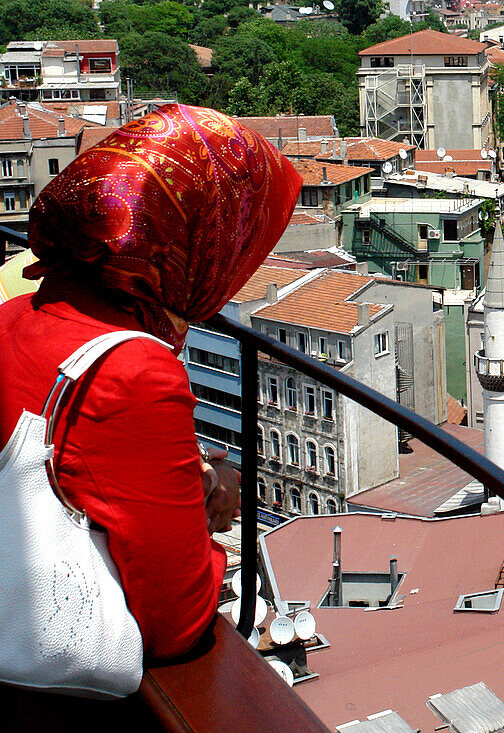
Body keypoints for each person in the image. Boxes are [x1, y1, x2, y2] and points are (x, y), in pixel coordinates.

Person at [0, 104, 301, 660]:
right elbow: (177, 620)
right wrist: (199, 510)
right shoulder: (135, 373)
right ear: (196, 241)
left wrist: (191, 480)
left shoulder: (14, 315)